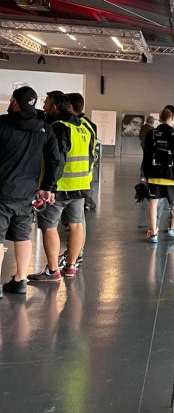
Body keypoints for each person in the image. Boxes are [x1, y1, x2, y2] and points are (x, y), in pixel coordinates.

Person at [0, 87, 61, 295]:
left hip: (2, 191)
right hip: (28, 193)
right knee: (22, 236)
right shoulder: (44, 128)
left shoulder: (2, 124)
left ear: (15, 103)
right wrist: (47, 187)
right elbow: (55, 161)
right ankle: (20, 280)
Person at [28, 91, 94, 281]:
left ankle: (52, 271)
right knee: (76, 224)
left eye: (46, 103)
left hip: (59, 187)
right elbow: (91, 157)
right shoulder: (85, 126)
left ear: (54, 107)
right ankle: (71, 266)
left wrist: (47, 187)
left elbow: (56, 160)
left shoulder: (58, 127)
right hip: (80, 186)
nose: (44, 107)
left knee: (49, 226)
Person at [142, 108, 174, 243]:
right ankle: (173, 228)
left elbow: (147, 156)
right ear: (172, 118)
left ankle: (153, 233)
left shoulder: (151, 134)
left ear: (160, 118)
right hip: (173, 177)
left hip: (155, 175)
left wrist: (146, 175)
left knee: (153, 202)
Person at [67, 92, 98, 211]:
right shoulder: (90, 125)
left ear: (70, 106)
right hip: (85, 174)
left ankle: (88, 201)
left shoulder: (74, 125)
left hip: (75, 176)